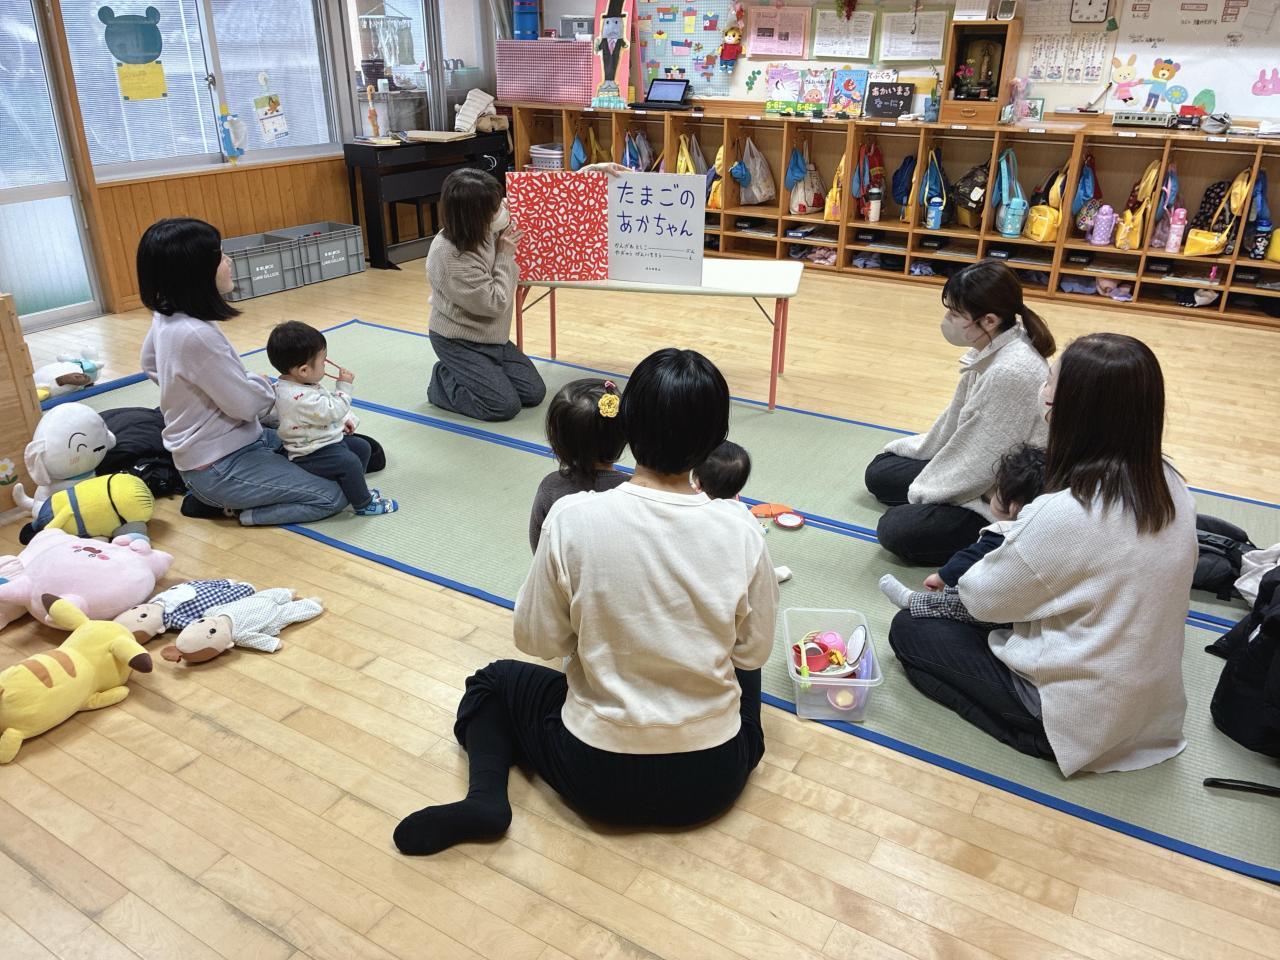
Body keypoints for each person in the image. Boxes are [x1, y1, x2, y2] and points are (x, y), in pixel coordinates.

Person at [394, 348, 778, 856]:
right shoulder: (742, 528)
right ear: (715, 439)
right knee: (742, 657)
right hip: (714, 777)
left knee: (493, 684)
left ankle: (486, 799)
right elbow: (754, 652)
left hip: (597, 774)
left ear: (629, 425)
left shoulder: (572, 516)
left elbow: (537, 640)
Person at [888, 334, 1197, 777]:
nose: (1042, 391)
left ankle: (1030, 735)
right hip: (1151, 709)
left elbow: (982, 600)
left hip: (1075, 713)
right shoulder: (1171, 483)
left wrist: (1002, 538)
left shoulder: (1067, 510)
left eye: (1050, 383)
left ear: (1071, 408)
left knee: (911, 629)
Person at [138, 217, 349, 526]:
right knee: (333, 496)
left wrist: (200, 394)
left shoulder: (168, 313)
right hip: (217, 465)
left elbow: (149, 364)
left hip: (237, 442)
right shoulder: (195, 334)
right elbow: (247, 405)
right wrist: (259, 384)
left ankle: (229, 494)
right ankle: (238, 511)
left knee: (351, 453)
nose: (229, 261)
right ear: (195, 271)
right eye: (220, 256)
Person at [864, 260, 1056, 567]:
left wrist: (930, 493)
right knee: (881, 472)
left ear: (989, 320)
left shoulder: (1012, 370)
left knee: (896, 528)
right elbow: (958, 428)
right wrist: (931, 472)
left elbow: (983, 459)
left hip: (1004, 495)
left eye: (955, 313)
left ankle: (989, 542)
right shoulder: (996, 345)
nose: (947, 319)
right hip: (985, 468)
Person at [425, 168, 546, 422]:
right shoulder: (451, 256)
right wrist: (504, 257)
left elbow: (535, 196)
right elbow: (495, 303)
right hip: (459, 340)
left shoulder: (481, 227)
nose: (502, 210)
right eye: (495, 208)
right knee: (503, 407)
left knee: (534, 392)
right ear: (475, 215)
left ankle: (477, 374)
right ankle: (442, 381)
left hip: (492, 337)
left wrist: (594, 171)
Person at [878, 444, 1045, 621]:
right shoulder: (1042, 529)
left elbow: (970, 557)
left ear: (1012, 508)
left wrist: (941, 577)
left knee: (959, 604)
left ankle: (912, 601)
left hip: (1002, 606)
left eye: (997, 492)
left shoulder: (1001, 535)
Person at [265, 321, 398, 517]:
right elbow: (332, 410)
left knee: (363, 447)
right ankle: (363, 504)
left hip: (323, 440)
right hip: (310, 452)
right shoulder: (298, 397)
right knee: (350, 462)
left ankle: (355, 488)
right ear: (303, 370)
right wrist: (344, 387)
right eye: (323, 362)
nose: (325, 365)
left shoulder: (299, 385)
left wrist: (342, 422)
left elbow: (321, 413)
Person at [528, 378, 627, 552]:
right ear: (623, 435)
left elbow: (538, 546)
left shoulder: (551, 487)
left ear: (556, 439)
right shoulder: (633, 489)